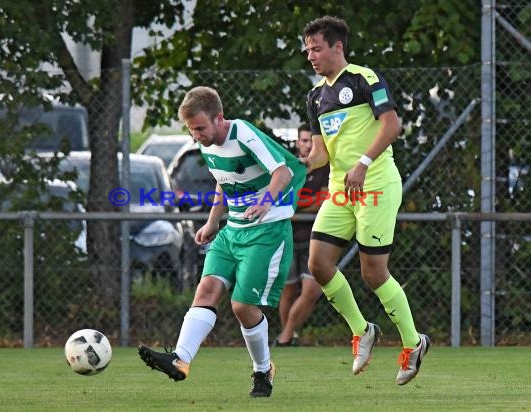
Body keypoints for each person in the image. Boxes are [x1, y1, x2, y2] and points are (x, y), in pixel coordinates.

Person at [138, 86, 306, 398]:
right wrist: (214, 221)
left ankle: (263, 369)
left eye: (200, 128)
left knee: (242, 306)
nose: (196, 135)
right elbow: (222, 181)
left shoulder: (243, 133)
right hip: (233, 231)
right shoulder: (206, 144)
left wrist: (266, 201)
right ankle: (180, 360)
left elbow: (282, 173)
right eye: (190, 129)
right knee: (205, 290)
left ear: (220, 119)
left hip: (266, 232)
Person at [302, 16, 430, 386]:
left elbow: (392, 126)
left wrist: (362, 162)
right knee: (319, 264)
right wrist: (299, 163)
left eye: (317, 48)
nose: (311, 55)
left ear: (337, 47)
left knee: (373, 273)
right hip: (341, 189)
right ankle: (363, 330)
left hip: (375, 182)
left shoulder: (363, 79)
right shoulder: (315, 96)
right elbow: (321, 155)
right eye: (307, 49)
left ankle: (413, 342)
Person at [275, 123, 328, 347]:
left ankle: (285, 335)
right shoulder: (288, 167)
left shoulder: (325, 167)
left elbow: (323, 201)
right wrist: (295, 207)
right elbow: (281, 201)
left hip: (314, 238)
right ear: (298, 142)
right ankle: (288, 338)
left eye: (311, 141)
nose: (308, 145)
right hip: (286, 236)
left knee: (311, 290)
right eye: (304, 140)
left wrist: (295, 208)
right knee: (288, 291)